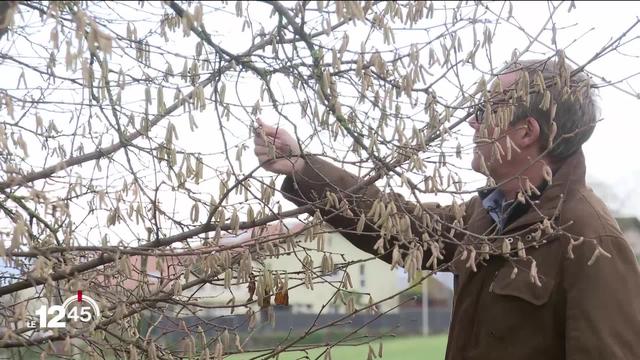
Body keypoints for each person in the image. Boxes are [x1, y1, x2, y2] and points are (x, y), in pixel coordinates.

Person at [252, 58, 640, 359]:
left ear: (526, 132)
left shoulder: (591, 241)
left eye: (485, 109)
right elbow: (400, 226)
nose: (472, 121)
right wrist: (303, 168)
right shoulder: (485, 218)